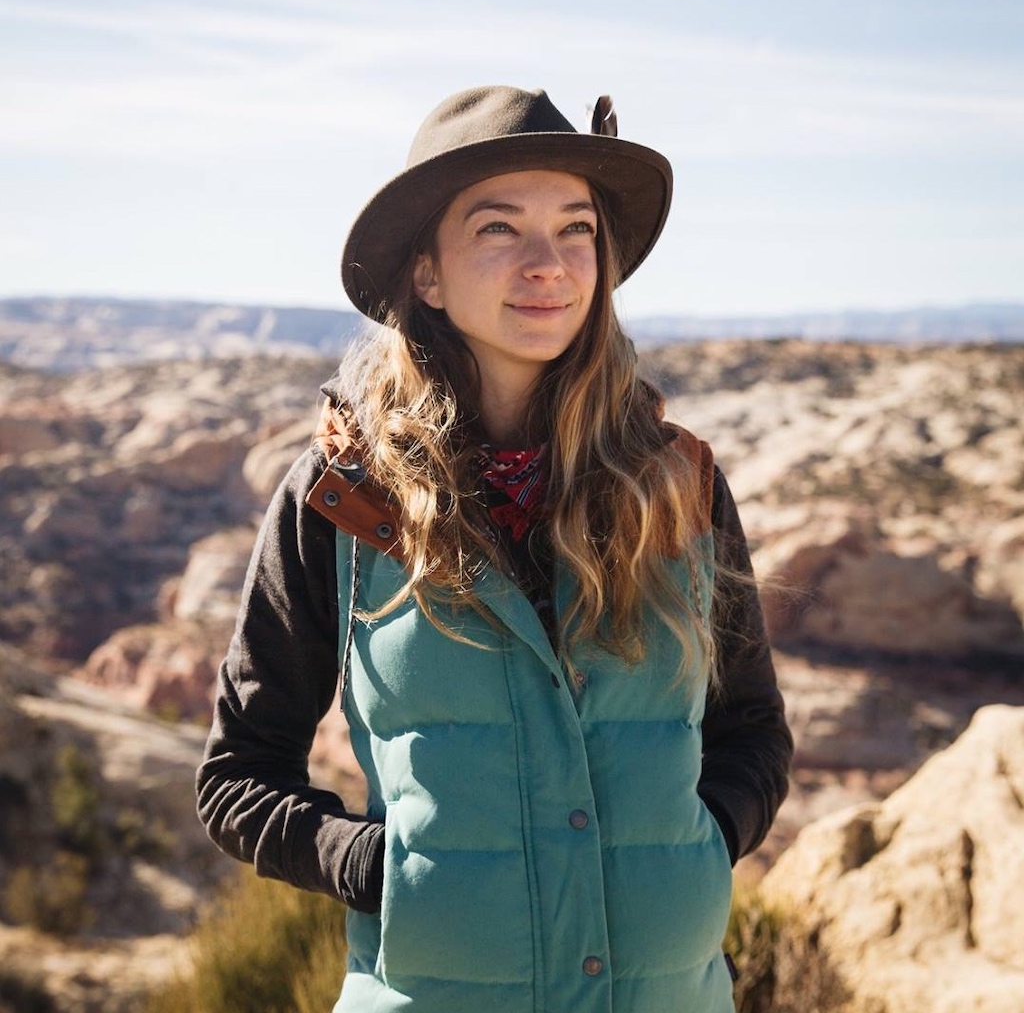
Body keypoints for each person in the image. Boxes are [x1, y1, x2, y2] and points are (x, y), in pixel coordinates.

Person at [196, 85, 792, 1013]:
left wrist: (700, 847)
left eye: (576, 229)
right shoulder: (345, 499)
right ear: (427, 276)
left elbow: (752, 732)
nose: (547, 264)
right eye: (498, 229)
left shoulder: (677, 484)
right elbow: (237, 778)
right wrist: (386, 870)